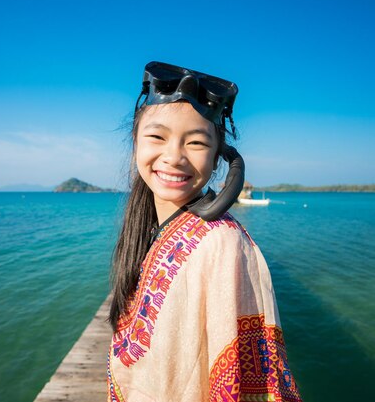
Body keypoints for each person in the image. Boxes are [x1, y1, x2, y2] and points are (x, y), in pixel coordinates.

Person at [106, 61, 303, 402]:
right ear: (135, 143)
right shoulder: (149, 230)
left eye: (195, 143)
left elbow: (252, 384)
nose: (174, 157)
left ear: (219, 159)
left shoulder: (223, 244)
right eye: (157, 136)